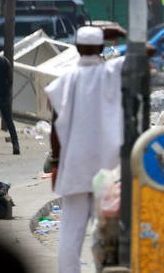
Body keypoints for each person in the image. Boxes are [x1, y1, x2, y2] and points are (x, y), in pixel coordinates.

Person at [43, 24, 128, 273]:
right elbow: (146, 51)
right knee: (108, 227)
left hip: (75, 167)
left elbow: (55, 127)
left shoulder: (65, 81)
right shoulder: (113, 71)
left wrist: (57, 162)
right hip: (108, 167)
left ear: (77, 48)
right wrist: (123, 33)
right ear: (102, 47)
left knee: (71, 231)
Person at [0, 41, 20, 155]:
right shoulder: (5, 61)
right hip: (3, 95)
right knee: (9, 122)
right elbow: (10, 80)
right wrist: (7, 91)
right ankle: (16, 145)